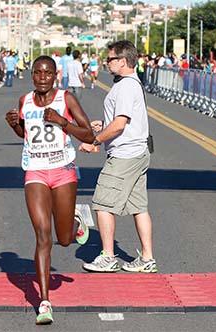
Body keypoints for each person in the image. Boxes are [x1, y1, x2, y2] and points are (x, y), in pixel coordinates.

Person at [5, 55, 95, 325]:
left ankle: (76, 221)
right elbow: (26, 134)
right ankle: (44, 302)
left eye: (47, 73)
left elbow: (89, 134)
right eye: (37, 73)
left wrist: (61, 122)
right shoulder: (25, 101)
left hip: (63, 170)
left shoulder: (66, 99)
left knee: (64, 239)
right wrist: (15, 125)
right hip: (35, 170)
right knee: (43, 235)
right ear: (32, 75)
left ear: (55, 75)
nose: (42, 77)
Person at [79, 40, 157, 274]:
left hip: (124, 154)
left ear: (123, 61)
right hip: (138, 152)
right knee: (138, 207)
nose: (107, 62)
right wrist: (103, 125)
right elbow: (121, 119)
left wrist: (95, 141)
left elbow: (120, 124)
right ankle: (147, 258)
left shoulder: (125, 87)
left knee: (102, 204)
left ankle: (108, 256)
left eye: (111, 59)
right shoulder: (133, 84)